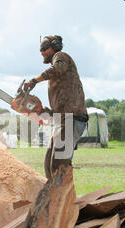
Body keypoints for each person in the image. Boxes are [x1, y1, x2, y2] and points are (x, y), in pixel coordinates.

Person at [24, 35, 88, 179]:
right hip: (62, 119)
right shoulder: (58, 74)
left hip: (72, 118)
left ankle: (64, 199)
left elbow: (57, 69)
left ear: (54, 47)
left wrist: (34, 80)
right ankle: (53, 197)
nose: (42, 52)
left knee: (59, 164)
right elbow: (61, 103)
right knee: (49, 163)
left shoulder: (61, 57)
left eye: (45, 48)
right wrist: (42, 111)